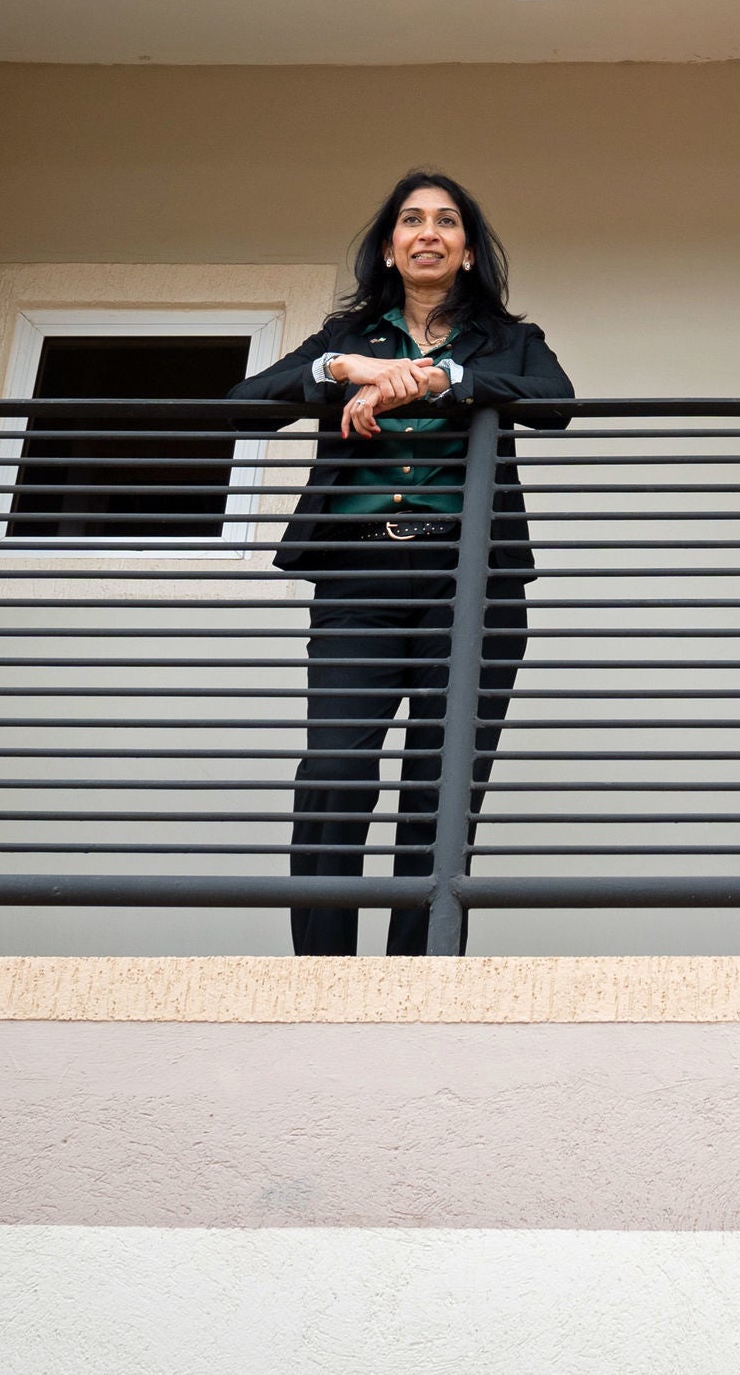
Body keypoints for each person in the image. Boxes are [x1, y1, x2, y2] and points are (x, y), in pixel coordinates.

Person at [228, 171, 573, 955]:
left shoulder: (511, 339)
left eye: (447, 222)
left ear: (468, 250)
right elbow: (240, 406)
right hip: (360, 579)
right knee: (333, 773)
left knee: (442, 787)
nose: (428, 232)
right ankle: (322, 973)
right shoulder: (345, 339)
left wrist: (444, 379)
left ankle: (418, 975)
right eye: (411, 221)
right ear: (388, 248)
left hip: (474, 583)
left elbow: (555, 403)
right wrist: (343, 371)